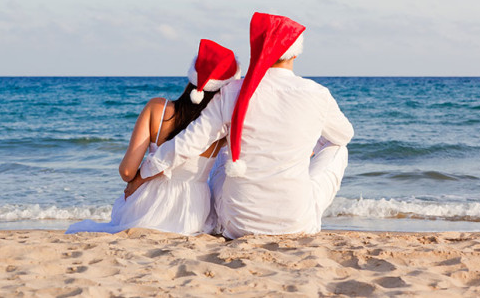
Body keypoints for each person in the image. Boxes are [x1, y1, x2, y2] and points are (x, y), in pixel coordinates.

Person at [138, 12, 354, 239]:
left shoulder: (232, 92)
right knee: (338, 148)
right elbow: (344, 135)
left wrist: (143, 175)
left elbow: (188, 143)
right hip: (297, 222)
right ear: (295, 53)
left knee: (224, 151)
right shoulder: (317, 94)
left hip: (236, 225)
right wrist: (303, 146)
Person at [66, 39, 241, 235]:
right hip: (191, 212)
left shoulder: (157, 107)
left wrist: (137, 179)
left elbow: (126, 172)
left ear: (192, 75)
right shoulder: (222, 127)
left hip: (146, 205)